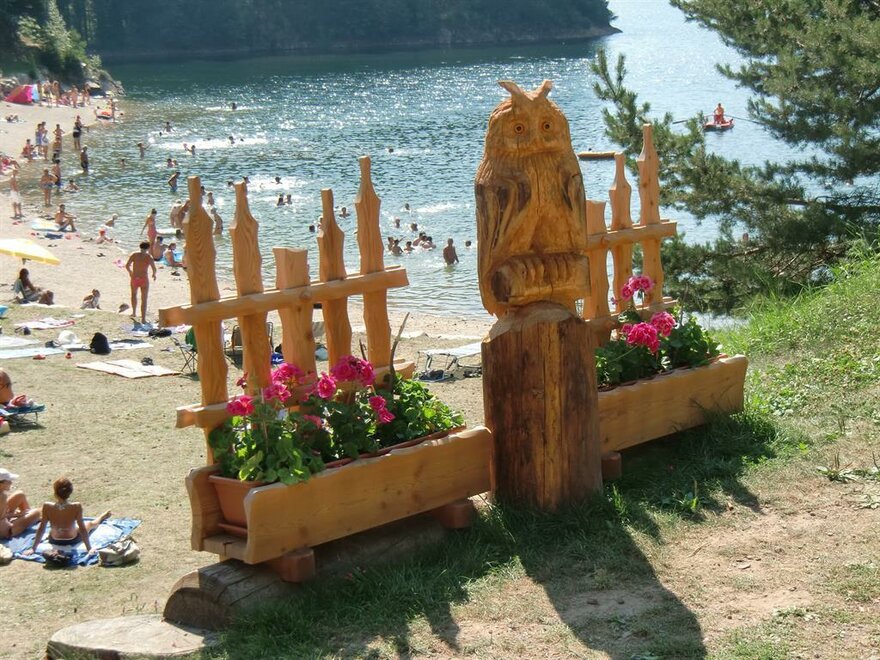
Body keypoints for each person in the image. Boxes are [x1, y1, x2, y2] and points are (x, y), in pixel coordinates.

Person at [25, 477, 111, 555]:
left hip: (54, 539)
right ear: (70, 492)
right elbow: (82, 529)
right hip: (73, 539)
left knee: (55, 528)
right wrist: (89, 548)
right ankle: (101, 518)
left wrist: (33, 548)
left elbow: (41, 528)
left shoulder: (47, 506)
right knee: (89, 524)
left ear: (55, 492)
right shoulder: (76, 506)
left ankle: (101, 517)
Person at [0, 469, 41, 540]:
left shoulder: (2, 494)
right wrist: (17, 515)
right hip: (6, 531)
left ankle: (28, 517)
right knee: (37, 512)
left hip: (4, 519)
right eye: (8, 481)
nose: (11, 482)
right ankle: (29, 518)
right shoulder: (2, 496)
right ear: (1, 484)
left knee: (20, 494)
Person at [125, 242, 157, 324]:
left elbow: (127, 265)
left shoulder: (134, 255)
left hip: (135, 278)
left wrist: (130, 272)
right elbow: (154, 268)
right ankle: (143, 319)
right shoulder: (149, 257)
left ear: (140, 247)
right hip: (144, 279)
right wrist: (154, 275)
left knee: (133, 295)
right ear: (148, 248)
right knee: (144, 299)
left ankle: (134, 312)